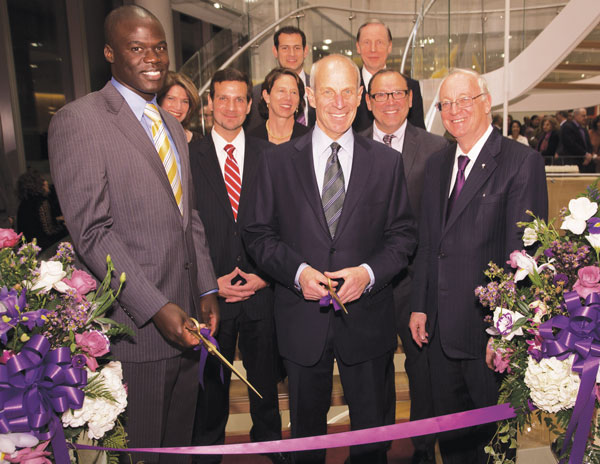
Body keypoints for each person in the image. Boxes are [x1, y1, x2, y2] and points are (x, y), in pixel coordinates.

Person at [47, 6, 220, 463]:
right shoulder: (79, 121)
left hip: (187, 324)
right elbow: (92, 232)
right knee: (141, 455)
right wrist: (156, 306)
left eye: (159, 47)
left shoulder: (171, 126)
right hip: (136, 333)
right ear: (109, 53)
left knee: (179, 451)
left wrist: (205, 285)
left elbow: (190, 216)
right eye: (137, 48)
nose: (153, 57)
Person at [244, 54, 416, 464]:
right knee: (305, 438)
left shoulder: (388, 162)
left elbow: (403, 235)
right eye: (327, 92)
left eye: (347, 92)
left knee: (373, 438)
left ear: (360, 96)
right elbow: (257, 233)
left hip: (368, 322)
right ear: (311, 96)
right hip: (302, 323)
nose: (338, 103)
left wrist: (368, 273)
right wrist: (297, 273)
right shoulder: (276, 161)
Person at [409, 68, 547, 464]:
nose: (454, 111)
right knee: (452, 446)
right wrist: (420, 304)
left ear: (485, 102)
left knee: (494, 448)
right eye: (446, 104)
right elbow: (428, 242)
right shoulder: (436, 165)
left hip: (487, 338)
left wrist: (505, 330)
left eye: (464, 100)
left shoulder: (521, 162)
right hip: (438, 335)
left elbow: (525, 259)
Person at [189, 68, 287, 464]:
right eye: (222, 98)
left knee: (265, 381)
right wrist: (208, 282)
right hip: (211, 295)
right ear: (210, 103)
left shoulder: (273, 157)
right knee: (210, 386)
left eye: (239, 99)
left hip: (261, 290)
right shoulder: (188, 156)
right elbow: (182, 226)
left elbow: (286, 221)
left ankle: (270, 444)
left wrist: (266, 276)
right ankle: (208, 451)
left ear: (250, 106)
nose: (230, 107)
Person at [361, 68, 447, 464]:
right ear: (368, 101)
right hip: (368, 284)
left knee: (422, 374)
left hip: (418, 283)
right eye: (381, 95)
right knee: (372, 375)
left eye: (398, 94)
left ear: (411, 99)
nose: (390, 101)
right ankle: (374, 451)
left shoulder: (436, 149)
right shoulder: (351, 146)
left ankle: (424, 450)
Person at [352, 19, 425, 131]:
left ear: (389, 46)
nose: (373, 49)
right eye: (367, 42)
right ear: (358, 47)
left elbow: (419, 137)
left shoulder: (410, 86)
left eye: (379, 42)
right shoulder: (348, 88)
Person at [247, 26, 315, 130]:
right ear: (275, 51)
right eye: (285, 48)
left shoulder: (318, 88)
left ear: (305, 51)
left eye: (297, 48)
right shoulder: (256, 94)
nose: (291, 54)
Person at [248, 67, 310, 144]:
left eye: (293, 92)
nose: (288, 97)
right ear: (266, 96)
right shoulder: (251, 140)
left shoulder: (310, 139)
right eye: (281, 91)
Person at [16, 171, 67, 250]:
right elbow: (50, 231)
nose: (46, 182)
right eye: (43, 181)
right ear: (38, 185)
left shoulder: (24, 203)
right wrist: (66, 227)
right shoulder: (42, 202)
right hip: (42, 249)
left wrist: (57, 219)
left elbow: (35, 222)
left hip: (27, 248)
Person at [158, 71, 202, 143]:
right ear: (158, 100)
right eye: (171, 98)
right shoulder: (146, 137)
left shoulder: (199, 141)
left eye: (185, 101)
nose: (178, 107)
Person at [561, 107, 594, 172]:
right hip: (573, 161)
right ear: (576, 116)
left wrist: (589, 155)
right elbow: (571, 144)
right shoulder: (567, 127)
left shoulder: (584, 129)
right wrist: (585, 154)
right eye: (583, 116)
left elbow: (588, 144)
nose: (585, 118)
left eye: (586, 115)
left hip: (586, 162)